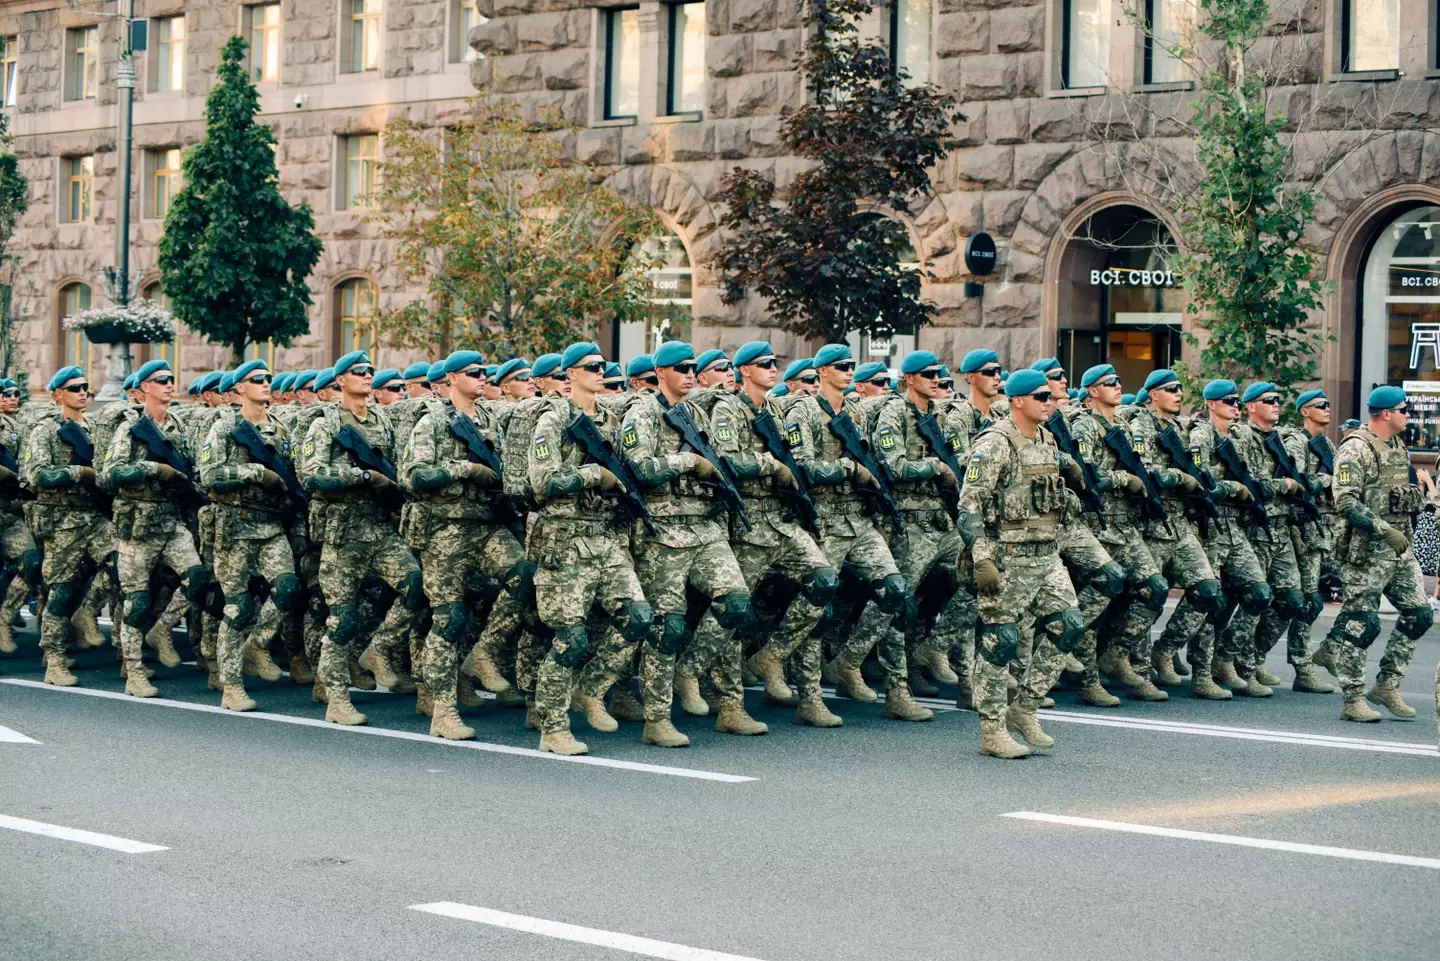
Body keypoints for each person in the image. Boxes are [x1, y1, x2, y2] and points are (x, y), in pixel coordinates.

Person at [621, 340, 763, 747]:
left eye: (691, 368)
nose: (688, 373)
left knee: (736, 603)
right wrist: (688, 462)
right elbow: (638, 468)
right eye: (680, 368)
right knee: (669, 627)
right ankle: (657, 718)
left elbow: (724, 460)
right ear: (661, 372)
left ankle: (701, 678)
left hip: (704, 528)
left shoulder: (699, 411)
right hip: (663, 533)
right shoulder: (642, 412)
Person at [787, 344, 930, 719]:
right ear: (821, 372)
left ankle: (886, 685)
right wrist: (848, 470)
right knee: (819, 603)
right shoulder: (801, 411)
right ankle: (808, 696)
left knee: (894, 590)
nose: (849, 371)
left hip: (859, 521)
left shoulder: (854, 412)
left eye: (851, 365)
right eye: (841, 366)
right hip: (824, 522)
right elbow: (801, 468)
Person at [706, 340, 842, 727]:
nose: (772, 368)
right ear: (744, 370)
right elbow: (728, 461)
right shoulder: (728, 408)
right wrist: (770, 465)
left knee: (823, 581)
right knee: (736, 612)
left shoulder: (779, 411)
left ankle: (775, 657)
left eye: (774, 363)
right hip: (747, 524)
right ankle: (730, 705)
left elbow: (796, 459)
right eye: (764, 364)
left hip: (781, 522)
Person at [527, 342, 654, 755]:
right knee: (571, 639)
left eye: (603, 367)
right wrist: (592, 473)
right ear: (570, 375)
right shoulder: (554, 418)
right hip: (565, 539)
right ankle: (553, 727)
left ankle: (590, 688)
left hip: (605, 536)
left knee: (638, 617)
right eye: (592, 367)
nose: (601, 372)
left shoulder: (613, 419)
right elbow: (542, 481)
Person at [958, 368, 1085, 758]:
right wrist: (982, 559)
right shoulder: (995, 444)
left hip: (1046, 555)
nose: (1050, 402)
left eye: (1050, 396)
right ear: (1018, 401)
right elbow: (969, 505)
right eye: (1041, 397)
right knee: (1002, 641)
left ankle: (1024, 707)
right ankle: (991, 729)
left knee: (1069, 627)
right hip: (1008, 557)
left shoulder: (1047, 439)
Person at [403, 350, 530, 740]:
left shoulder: (492, 417)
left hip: (488, 525)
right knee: (450, 618)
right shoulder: (435, 420)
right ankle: (442, 710)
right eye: (473, 373)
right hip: (445, 531)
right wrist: (465, 469)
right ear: (452, 378)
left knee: (526, 577)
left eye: (485, 373)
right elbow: (412, 474)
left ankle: (484, 653)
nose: (482, 378)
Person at [298, 351, 424, 726]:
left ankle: (378, 649)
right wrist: (364, 478)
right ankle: (336, 698)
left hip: (379, 528)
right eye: (359, 371)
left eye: (370, 371)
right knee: (343, 618)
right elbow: (312, 474)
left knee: (416, 584)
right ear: (340, 381)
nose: (367, 376)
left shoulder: (382, 419)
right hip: (342, 531)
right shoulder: (325, 422)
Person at [1314, 385, 1429, 722]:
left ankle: (1387, 685)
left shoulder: (1396, 444)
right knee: (1361, 622)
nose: (1409, 415)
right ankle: (1352, 699)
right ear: (1385, 414)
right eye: (1404, 410)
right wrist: (1384, 530)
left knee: (1419, 614)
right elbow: (1345, 501)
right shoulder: (1355, 449)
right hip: (1367, 550)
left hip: (1398, 548)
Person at [197, 359, 303, 711]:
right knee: (238, 607)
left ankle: (257, 644)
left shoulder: (278, 429)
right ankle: (231, 685)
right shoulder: (225, 427)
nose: (266, 384)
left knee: (287, 587)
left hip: (270, 524)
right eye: (257, 380)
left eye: (268, 379)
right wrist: (253, 471)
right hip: (235, 526)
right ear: (240, 387)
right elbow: (209, 474)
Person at [105, 360, 212, 698]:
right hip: (136, 525)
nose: (169, 385)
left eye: (171, 379)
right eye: (161, 380)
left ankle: (163, 628)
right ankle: (134, 670)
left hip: (170, 521)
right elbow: (111, 472)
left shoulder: (179, 425)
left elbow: (193, 467)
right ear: (145, 388)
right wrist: (152, 468)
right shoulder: (130, 427)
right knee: (136, 601)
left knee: (198, 579)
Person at [867, 350, 967, 706]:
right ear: (908, 378)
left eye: (938, 374)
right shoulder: (893, 413)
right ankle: (891, 681)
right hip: (909, 524)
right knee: (897, 601)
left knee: (979, 580)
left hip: (942, 522)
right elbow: (893, 465)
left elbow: (960, 458)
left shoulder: (941, 415)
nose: (935, 379)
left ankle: (933, 650)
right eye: (927, 374)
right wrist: (935, 468)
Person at [1161, 379, 1272, 696]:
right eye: (1228, 402)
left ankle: (1226, 658)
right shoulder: (1200, 436)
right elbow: (1201, 481)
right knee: (1210, 596)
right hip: (1210, 525)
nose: (1235, 407)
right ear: (1211, 404)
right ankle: (1195, 669)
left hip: (1235, 527)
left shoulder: (1240, 436)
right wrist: (1232, 488)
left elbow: (1257, 475)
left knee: (1259, 593)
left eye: (1237, 402)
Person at [1121, 368, 1227, 693]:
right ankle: (1135, 670)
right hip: (1152, 524)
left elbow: (1200, 467)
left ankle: (1164, 649)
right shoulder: (1140, 423)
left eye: (1180, 388)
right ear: (1153, 394)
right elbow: (1145, 470)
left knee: (1208, 590)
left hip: (1181, 525)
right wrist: (1182, 478)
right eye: (1170, 389)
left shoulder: (1181, 429)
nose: (1178, 394)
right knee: (1149, 596)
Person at [24, 367, 117, 686]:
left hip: (94, 516)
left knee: (122, 565)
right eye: (75, 387)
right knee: (61, 590)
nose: (83, 393)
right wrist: (78, 474)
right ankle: (54, 659)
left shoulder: (94, 427)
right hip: (62, 521)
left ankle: (88, 612)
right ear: (56, 395)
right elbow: (36, 475)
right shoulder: (46, 429)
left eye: (86, 388)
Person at [1221, 381, 1308, 696]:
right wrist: (1282, 486)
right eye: (1268, 400)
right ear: (1250, 407)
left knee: (1292, 600)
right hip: (1254, 527)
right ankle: (1229, 659)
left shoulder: (1281, 440)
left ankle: (1254, 657)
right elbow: (1245, 480)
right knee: (1253, 597)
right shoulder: (1241, 436)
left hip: (1281, 528)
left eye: (1278, 400)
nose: (1276, 404)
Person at [1277, 389, 1338, 693]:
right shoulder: (1297, 442)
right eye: (1320, 406)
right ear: (1304, 412)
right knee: (1307, 600)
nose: (1327, 409)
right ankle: (1302, 668)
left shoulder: (1326, 444)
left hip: (1326, 530)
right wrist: (1328, 479)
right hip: (1302, 529)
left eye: (1328, 405)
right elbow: (1295, 482)